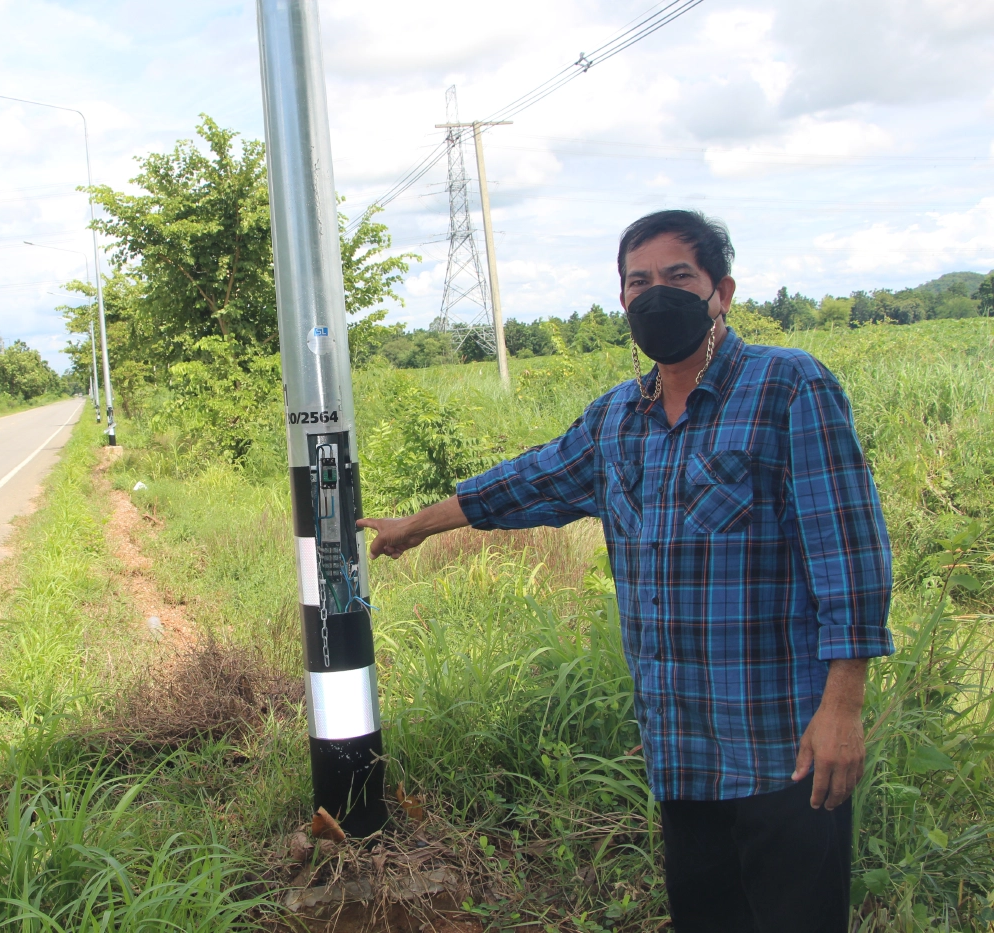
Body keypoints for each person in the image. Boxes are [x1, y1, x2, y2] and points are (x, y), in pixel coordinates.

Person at [357, 210, 893, 933]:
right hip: (683, 751)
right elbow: (527, 483)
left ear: (721, 291)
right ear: (621, 301)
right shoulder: (618, 419)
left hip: (785, 750)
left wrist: (842, 709)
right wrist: (413, 526)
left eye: (678, 278)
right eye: (638, 282)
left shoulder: (787, 388)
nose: (655, 295)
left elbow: (850, 558)